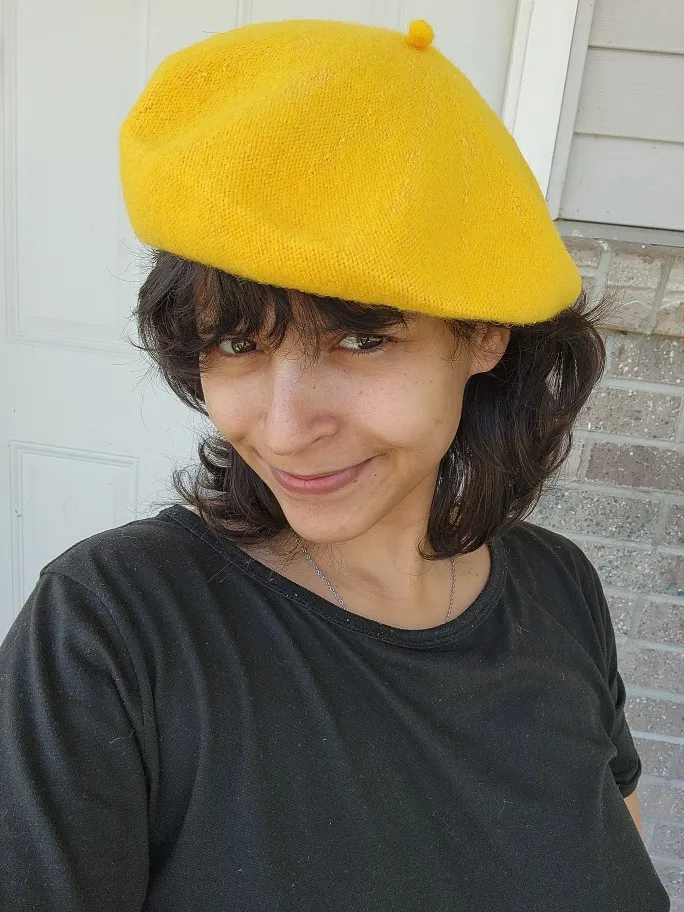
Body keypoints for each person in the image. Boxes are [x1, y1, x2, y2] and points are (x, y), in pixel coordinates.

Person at [0, 17, 670, 912]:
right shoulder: (114, 633)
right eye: (237, 342)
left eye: (361, 340)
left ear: (483, 333)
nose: (283, 431)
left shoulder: (560, 589)